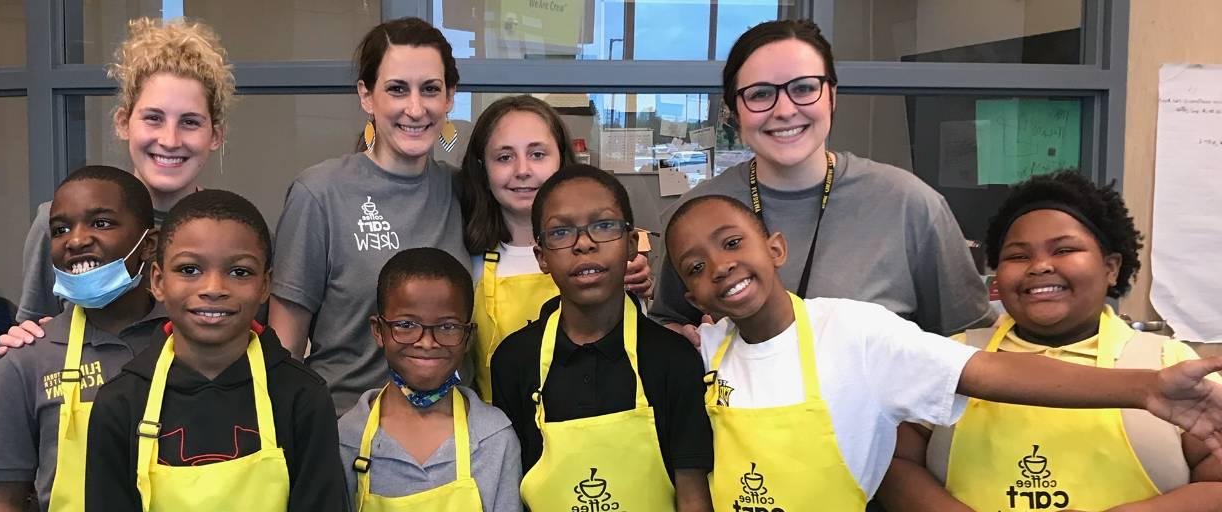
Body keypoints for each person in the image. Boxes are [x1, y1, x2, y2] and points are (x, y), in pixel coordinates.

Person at [662, 193, 1222, 510]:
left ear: (776, 247)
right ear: (690, 296)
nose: (721, 266)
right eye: (696, 267)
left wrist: (1144, 388)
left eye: (733, 243)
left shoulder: (856, 333)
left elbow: (991, 373)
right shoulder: (704, 352)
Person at [877, 172, 1222, 511]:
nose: (1040, 266)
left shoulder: (1169, 364)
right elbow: (893, 463)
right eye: (1018, 256)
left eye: (1065, 249)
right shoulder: (953, 357)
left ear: (1111, 267)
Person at [652, 19, 994, 345]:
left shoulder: (911, 206)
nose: (784, 110)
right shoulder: (695, 214)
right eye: (759, 94)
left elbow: (968, 340)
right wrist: (682, 342)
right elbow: (666, 323)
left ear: (832, 95)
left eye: (803, 88)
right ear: (735, 112)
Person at [86, 189, 344, 511]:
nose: (214, 289)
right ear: (158, 281)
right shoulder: (120, 403)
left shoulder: (302, 396)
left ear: (265, 286)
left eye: (240, 272)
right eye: (190, 270)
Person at [269, 17, 469, 415]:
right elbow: (284, 349)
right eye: (397, 89)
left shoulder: (466, 191)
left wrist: (632, 244)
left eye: (430, 89)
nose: (415, 108)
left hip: (453, 439)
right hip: (344, 435)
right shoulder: (319, 193)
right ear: (366, 95)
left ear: (449, 98)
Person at [492, 165, 712, 511]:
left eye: (604, 225)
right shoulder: (513, 360)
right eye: (561, 232)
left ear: (630, 244)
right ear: (541, 257)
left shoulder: (673, 358)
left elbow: (692, 494)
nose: (584, 244)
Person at [10, 18, 234, 334]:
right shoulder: (59, 226)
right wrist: (24, 338)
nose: (170, 140)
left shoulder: (235, 234)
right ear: (123, 123)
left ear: (215, 135)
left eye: (190, 122)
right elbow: (31, 337)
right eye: (153, 118)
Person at [0, 165, 165, 512]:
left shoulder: (187, 342)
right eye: (61, 229)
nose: (76, 240)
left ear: (149, 244)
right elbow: (1, 498)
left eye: (101, 223)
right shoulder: (26, 359)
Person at [457, 94, 651, 402]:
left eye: (537, 154)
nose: (522, 170)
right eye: (504, 157)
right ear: (482, 168)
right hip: (499, 437)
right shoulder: (467, 258)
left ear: (561, 158)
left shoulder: (604, 254)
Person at [339, 248, 521, 510]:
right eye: (406, 325)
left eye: (447, 327)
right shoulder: (347, 438)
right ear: (379, 331)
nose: (427, 342)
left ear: (469, 337)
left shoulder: (494, 438)